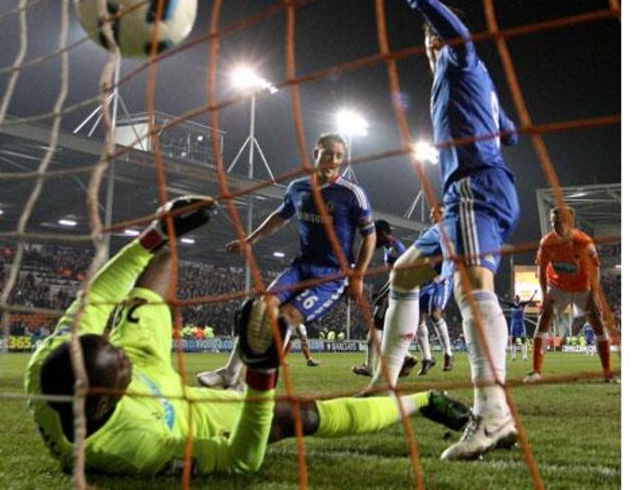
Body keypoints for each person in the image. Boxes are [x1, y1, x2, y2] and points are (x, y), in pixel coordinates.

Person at [25, 196, 470, 476]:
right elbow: (241, 461)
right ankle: (422, 401)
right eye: (118, 365)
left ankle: (167, 242)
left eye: (109, 347)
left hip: (147, 366)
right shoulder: (133, 449)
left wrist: (154, 233)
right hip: (191, 417)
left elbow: (99, 294)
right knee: (294, 416)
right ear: (103, 404)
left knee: (158, 261)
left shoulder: (49, 360)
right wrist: (261, 375)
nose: (118, 353)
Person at [370, 0, 522, 460]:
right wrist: (495, 125)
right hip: (463, 195)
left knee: (470, 290)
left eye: (437, 37)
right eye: (429, 40)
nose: (433, 45)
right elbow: (510, 131)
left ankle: (494, 416)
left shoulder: (460, 60)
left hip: (477, 186)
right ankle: (385, 381)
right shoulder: (465, 79)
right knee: (404, 274)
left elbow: (460, 38)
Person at [197, 133, 377, 389]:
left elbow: (370, 236)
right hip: (301, 266)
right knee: (261, 309)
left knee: (285, 318)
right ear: (315, 153)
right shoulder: (298, 188)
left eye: (339, 156)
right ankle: (229, 374)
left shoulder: (352, 194)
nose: (333, 160)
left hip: (332, 275)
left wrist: (358, 276)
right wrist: (250, 240)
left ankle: (251, 384)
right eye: (328, 154)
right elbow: (280, 217)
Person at [525, 207, 617, 383]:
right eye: (553, 222)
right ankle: (536, 371)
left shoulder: (584, 242)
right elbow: (542, 270)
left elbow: (596, 267)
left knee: (597, 325)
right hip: (558, 288)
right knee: (543, 320)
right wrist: (544, 296)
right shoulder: (547, 242)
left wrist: (594, 294)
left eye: (559, 222)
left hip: (583, 288)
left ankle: (608, 373)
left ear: (569, 223)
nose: (555, 226)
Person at [352, 219, 408, 377]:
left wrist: (384, 295)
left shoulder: (396, 250)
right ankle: (404, 357)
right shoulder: (390, 248)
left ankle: (372, 366)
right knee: (384, 328)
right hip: (396, 291)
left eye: (374, 235)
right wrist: (382, 292)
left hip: (399, 292)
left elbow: (400, 277)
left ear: (382, 234)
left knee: (376, 327)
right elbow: (393, 277)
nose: (372, 239)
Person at [415, 274, 454, 375]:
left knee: (435, 314)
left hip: (442, 280)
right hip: (427, 284)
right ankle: (427, 359)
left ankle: (448, 354)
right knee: (418, 319)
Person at [508, 293, 530, 362]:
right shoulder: (512, 305)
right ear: (514, 299)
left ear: (519, 299)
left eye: (517, 298)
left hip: (521, 324)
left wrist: (534, 294)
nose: (517, 300)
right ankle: (513, 357)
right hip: (514, 324)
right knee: (513, 340)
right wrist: (499, 298)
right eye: (516, 298)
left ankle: (525, 357)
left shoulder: (522, 305)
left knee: (523, 340)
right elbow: (504, 302)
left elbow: (529, 301)